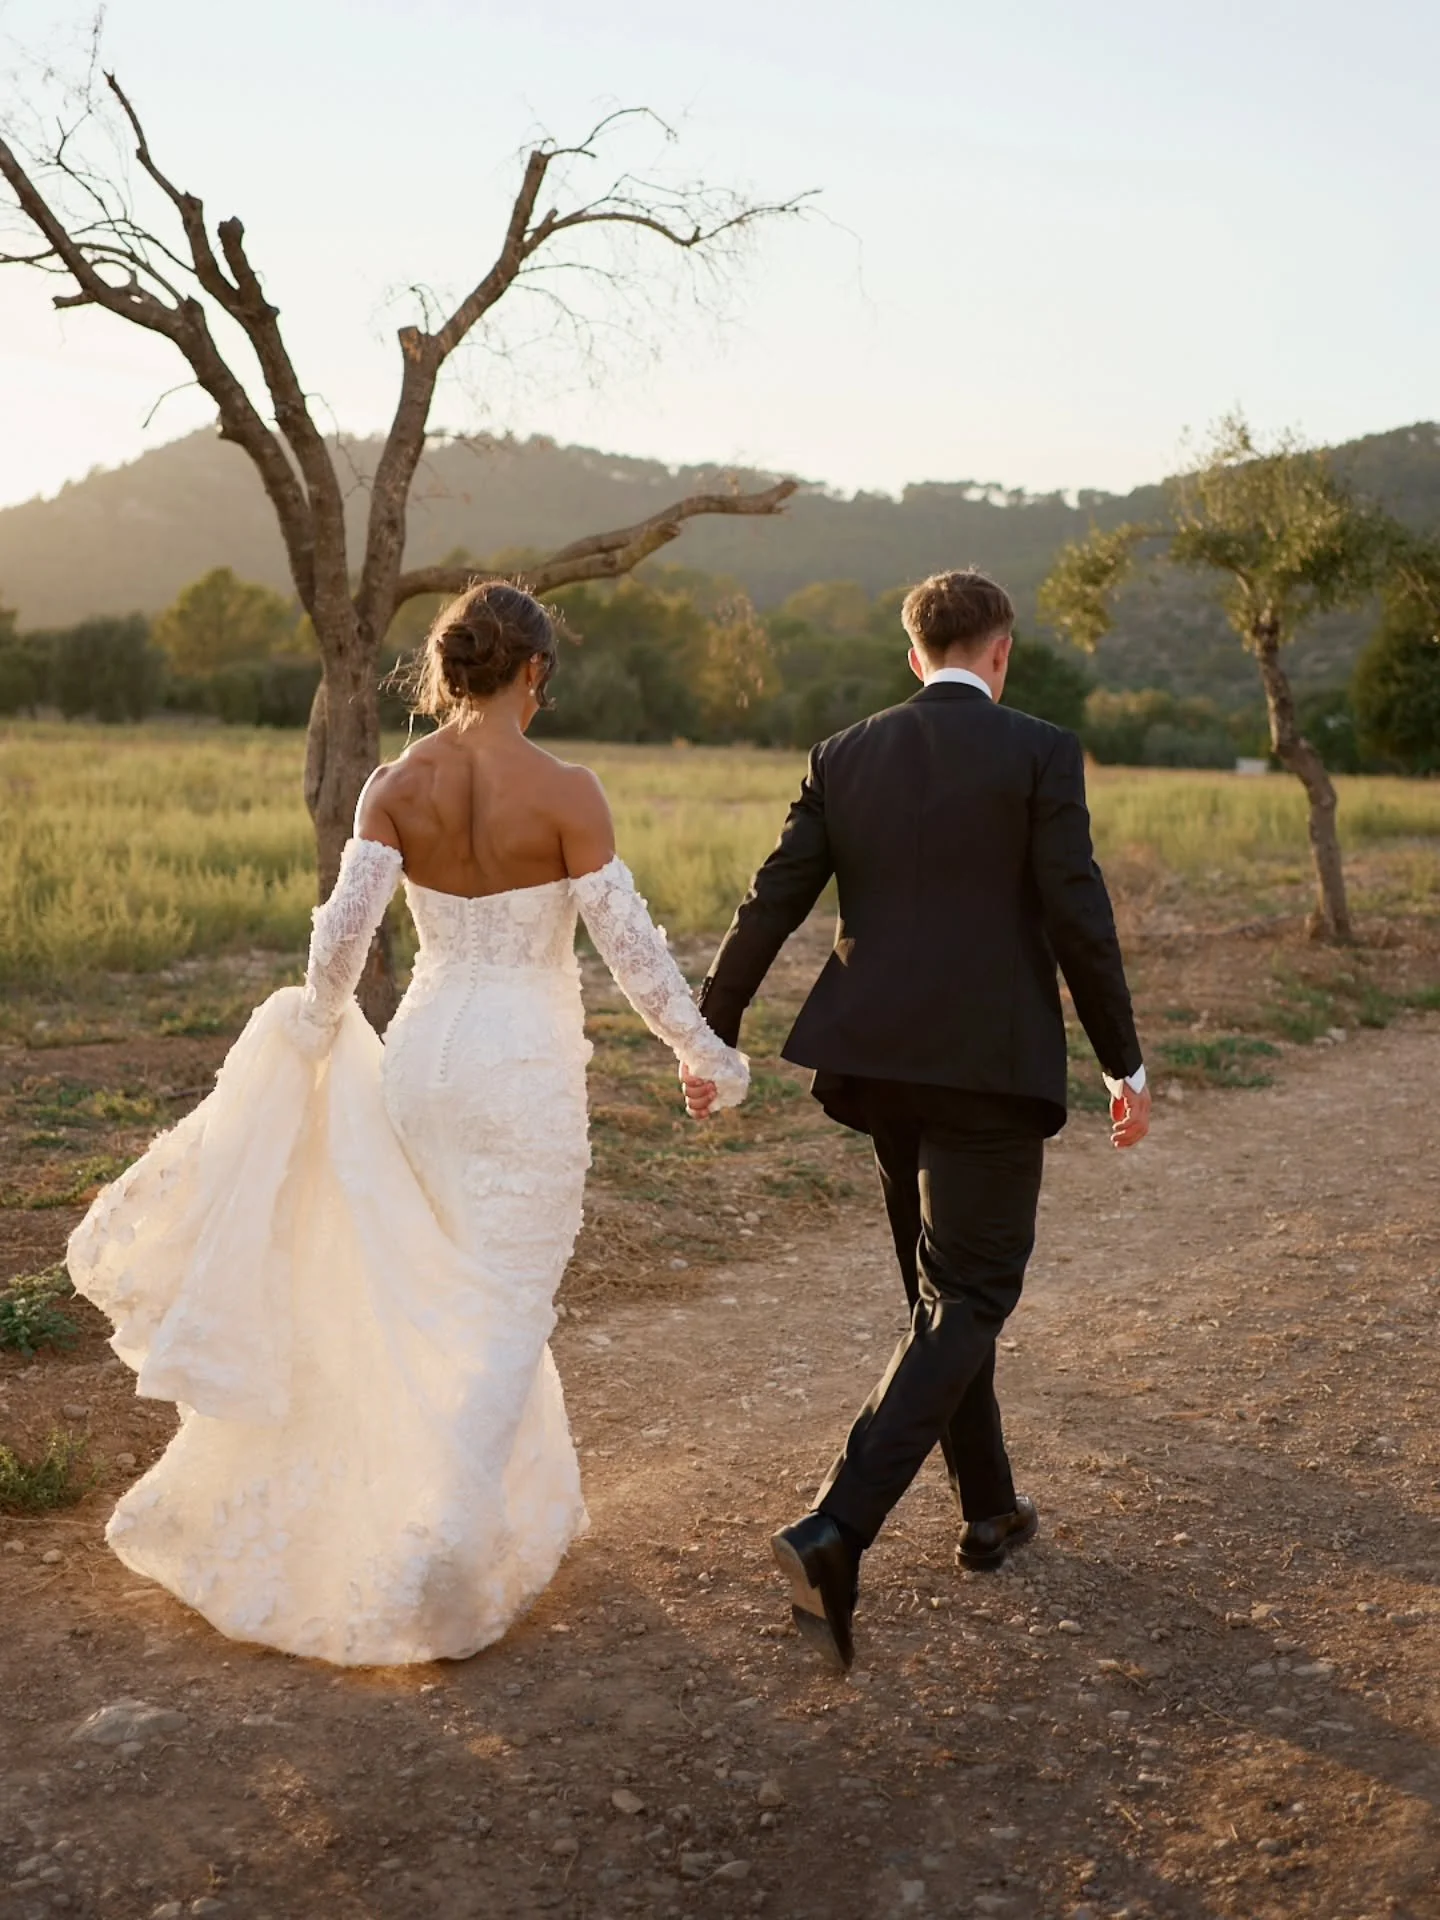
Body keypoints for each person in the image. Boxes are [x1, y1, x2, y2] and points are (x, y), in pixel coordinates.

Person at [68, 581, 748, 1667]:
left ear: (448, 671)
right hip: (520, 1071)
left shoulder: (393, 786)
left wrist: (314, 1032)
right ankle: (433, 1543)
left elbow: (341, 942)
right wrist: (703, 1053)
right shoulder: (569, 792)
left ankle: (454, 1508)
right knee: (505, 1305)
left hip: (420, 1064)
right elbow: (631, 952)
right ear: (535, 671)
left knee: (427, 1288)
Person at [686, 568, 1149, 1671]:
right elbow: (1077, 913)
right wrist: (1122, 1060)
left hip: (878, 1061)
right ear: (1001, 651)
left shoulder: (844, 753)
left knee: (942, 1300)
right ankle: (836, 1530)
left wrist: (711, 1032)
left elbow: (772, 899)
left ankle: (989, 1511)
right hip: (988, 1068)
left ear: (913, 654)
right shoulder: (1041, 751)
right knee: (970, 1295)